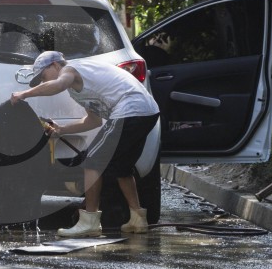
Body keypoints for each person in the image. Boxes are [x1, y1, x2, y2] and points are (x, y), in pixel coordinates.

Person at [10, 51, 160, 237]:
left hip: (130, 110)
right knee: (123, 168)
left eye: (43, 75)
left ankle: (89, 222)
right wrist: (61, 129)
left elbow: (57, 85)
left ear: (55, 65)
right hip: (147, 111)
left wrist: (24, 94)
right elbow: (93, 121)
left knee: (92, 162)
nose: (42, 81)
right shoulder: (77, 88)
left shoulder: (71, 70)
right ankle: (138, 219)